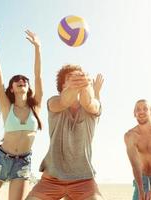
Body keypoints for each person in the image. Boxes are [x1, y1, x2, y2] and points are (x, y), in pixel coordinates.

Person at [0, 25, 42, 200]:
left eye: (24, 80)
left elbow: (38, 76)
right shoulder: (7, 106)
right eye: (17, 80)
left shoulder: (35, 107)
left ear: (28, 87)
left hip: (23, 163)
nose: (21, 81)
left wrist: (37, 48)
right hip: (1, 160)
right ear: (11, 89)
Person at [26, 65, 103, 200]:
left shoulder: (94, 106)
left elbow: (89, 102)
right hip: (51, 179)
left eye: (79, 76)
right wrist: (75, 87)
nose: (77, 78)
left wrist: (87, 88)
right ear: (62, 85)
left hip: (84, 179)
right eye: (70, 77)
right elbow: (63, 101)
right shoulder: (53, 102)